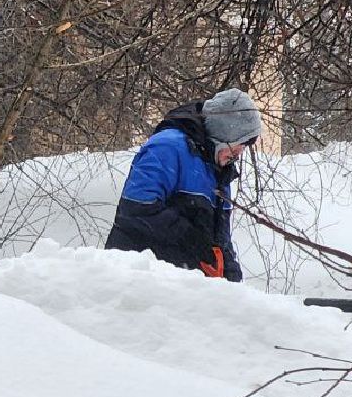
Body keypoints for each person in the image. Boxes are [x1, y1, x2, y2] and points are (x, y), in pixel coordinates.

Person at [105, 88, 263, 282]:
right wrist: (191, 240)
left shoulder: (219, 168)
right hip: (137, 275)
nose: (238, 153)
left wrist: (229, 269)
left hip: (183, 284)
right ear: (221, 135)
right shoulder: (167, 147)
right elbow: (137, 210)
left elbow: (217, 236)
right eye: (237, 144)